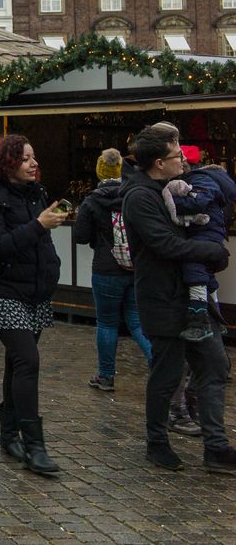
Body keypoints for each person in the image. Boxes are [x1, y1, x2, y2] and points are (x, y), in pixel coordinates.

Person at [121, 124, 236, 474]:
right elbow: (165, 245)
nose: (183, 161)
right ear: (159, 162)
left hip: (192, 297)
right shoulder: (139, 197)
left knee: (215, 368)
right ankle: (157, 442)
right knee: (167, 374)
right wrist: (212, 250)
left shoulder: (172, 188)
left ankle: (216, 447)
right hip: (163, 299)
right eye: (177, 155)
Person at [0, 134, 64, 476]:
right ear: (7, 164)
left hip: (33, 291)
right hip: (0, 291)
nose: (34, 163)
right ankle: (35, 446)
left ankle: (9, 436)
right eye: (26, 159)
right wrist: (38, 226)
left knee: (16, 362)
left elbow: (39, 243)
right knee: (28, 360)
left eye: (34, 157)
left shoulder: (36, 194)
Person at [74, 148, 151, 393]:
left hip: (106, 269)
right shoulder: (134, 195)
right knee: (137, 321)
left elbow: (80, 236)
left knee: (107, 323)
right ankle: (158, 361)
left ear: (99, 170)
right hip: (135, 268)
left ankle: (106, 376)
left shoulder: (92, 201)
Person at [160, 144, 236, 342]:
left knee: (194, 267)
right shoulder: (200, 179)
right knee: (205, 274)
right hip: (206, 230)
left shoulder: (201, 179)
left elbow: (199, 202)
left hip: (206, 231)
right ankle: (215, 318)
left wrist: (169, 205)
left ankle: (199, 319)